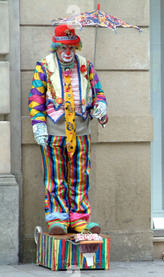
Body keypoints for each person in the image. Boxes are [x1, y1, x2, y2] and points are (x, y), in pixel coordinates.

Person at [28, 24, 108, 235]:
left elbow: (98, 92)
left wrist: (100, 106)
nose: (67, 53)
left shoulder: (86, 66)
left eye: (71, 48)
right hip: (54, 131)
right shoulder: (44, 66)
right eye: (63, 48)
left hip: (81, 131)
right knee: (55, 176)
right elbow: (36, 97)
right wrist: (38, 124)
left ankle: (80, 218)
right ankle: (58, 217)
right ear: (56, 47)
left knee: (81, 175)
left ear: (76, 47)